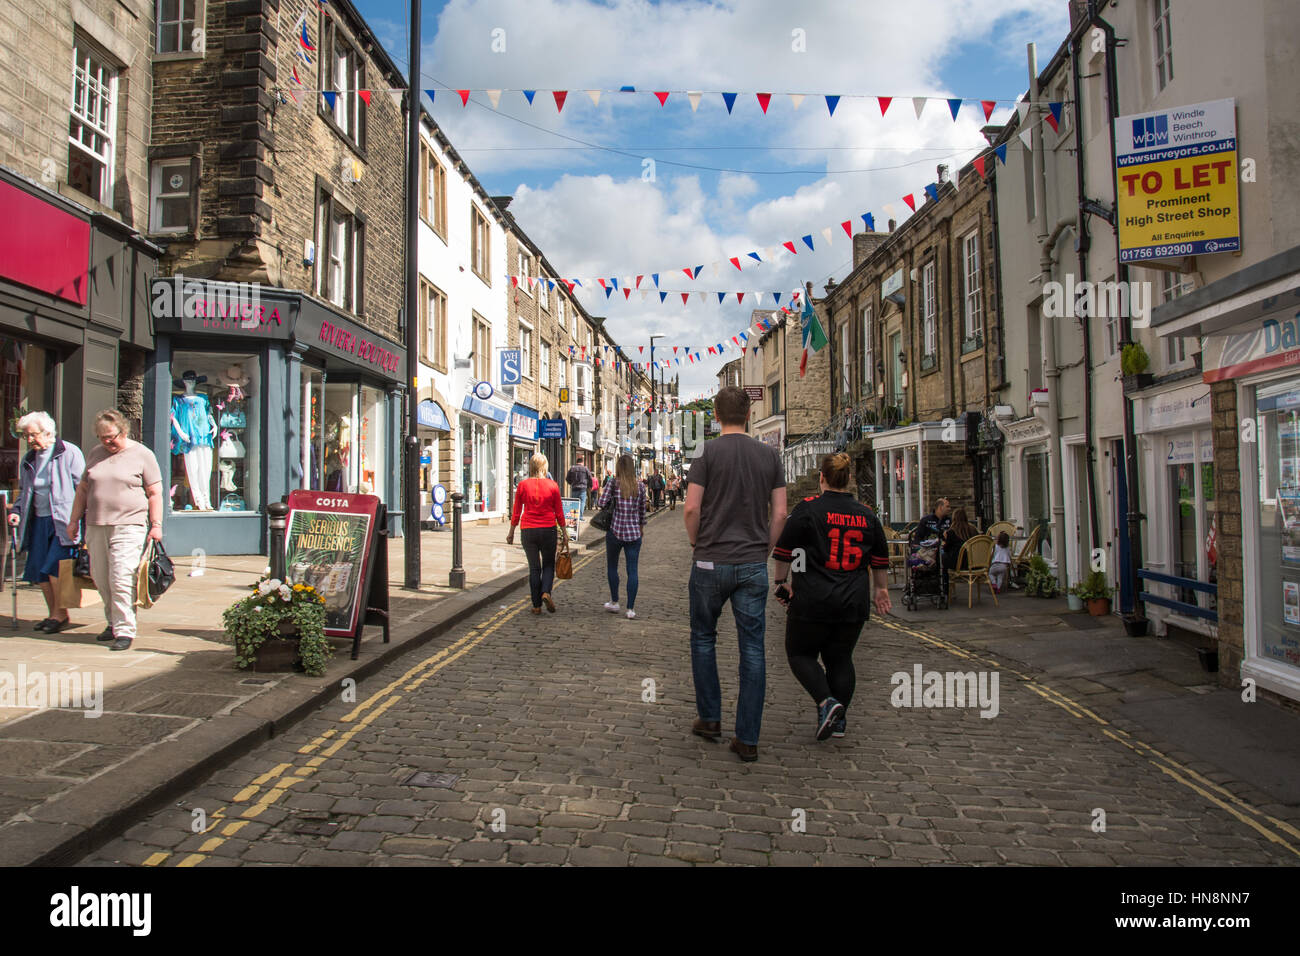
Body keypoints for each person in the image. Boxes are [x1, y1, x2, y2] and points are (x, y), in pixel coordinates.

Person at [684, 386, 787, 763]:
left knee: (703, 638)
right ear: (749, 416)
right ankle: (747, 738)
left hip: (710, 561)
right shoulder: (769, 455)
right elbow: (780, 514)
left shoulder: (705, 452)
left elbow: (691, 509)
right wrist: (764, 549)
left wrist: (698, 545)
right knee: (753, 649)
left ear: (715, 414)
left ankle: (710, 719)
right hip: (751, 565)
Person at [772, 452, 891, 741]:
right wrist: (881, 590)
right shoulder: (866, 514)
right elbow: (879, 558)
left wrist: (780, 581)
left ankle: (827, 702)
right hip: (852, 600)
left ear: (821, 477)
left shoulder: (808, 509)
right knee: (840, 659)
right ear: (848, 479)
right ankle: (838, 721)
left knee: (800, 654)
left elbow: (784, 550)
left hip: (813, 597)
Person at [65, 410, 164, 652]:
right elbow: (83, 490)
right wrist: (73, 520)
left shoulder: (142, 454)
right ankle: (112, 622)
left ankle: (124, 629)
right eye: (102, 437)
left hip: (130, 524)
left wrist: (156, 525)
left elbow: (155, 493)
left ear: (124, 430)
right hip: (96, 523)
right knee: (101, 576)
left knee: (121, 576)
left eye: (111, 436)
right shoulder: (95, 454)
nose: (107, 442)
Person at [7, 412, 85, 633]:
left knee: (54, 568)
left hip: (63, 520)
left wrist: (81, 521)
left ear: (47, 432)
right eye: (26, 436)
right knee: (39, 572)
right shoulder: (29, 459)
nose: (29, 440)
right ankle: (53, 614)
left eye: (33, 435)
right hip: (38, 521)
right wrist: (17, 511)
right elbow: (24, 492)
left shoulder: (68, 452)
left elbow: (83, 487)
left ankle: (60, 615)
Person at [506, 453, 565, 614]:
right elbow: (559, 512)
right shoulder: (553, 486)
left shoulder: (523, 485)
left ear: (531, 467)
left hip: (528, 530)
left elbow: (516, 511)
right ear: (545, 467)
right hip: (548, 529)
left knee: (534, 568)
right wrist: (565, 532)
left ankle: (536, 605)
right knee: (548, 565)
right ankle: (546, 591)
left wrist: (511, 531)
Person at [597, 453, 646, 620]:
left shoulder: (613, 483)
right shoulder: (640, 486)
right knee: (632, 570)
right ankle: (630, 609)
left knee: (612, 567)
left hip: (615, 531)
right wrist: (640, 529)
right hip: (634, 534)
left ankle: (614, 602)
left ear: (618, 467)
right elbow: (642, 512)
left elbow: (601, 503)